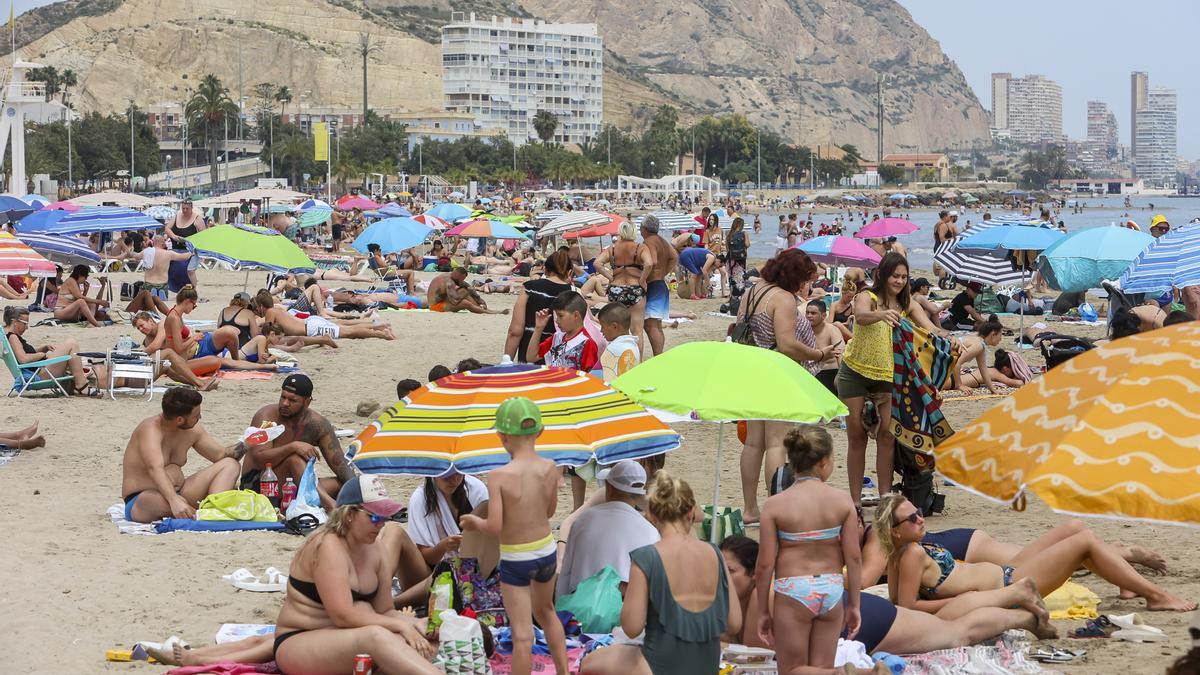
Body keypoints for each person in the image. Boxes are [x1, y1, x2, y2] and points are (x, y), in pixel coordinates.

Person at [876, 495, 1196, 612]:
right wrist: (966, 601)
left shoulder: (902, 552)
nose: (921, 518)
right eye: (913, 518)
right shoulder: (910, 555)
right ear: (894, 530)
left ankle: (1125, 580)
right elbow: (908, 606)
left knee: (1073, 527)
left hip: (1006, 571)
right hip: (1010, 587)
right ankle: (1155, 595)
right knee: (1081, 542)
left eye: (919, 512)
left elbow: (896, 599)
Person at [271, 476, 440, 674]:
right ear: (349, 514)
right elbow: (343, 616)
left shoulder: (375, 548)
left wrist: (419, 624)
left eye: (386, 517)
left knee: (430, 636)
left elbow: (385, 610)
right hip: (300, 640)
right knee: (376, 637)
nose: (381, 525)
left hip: (343, 638)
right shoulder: (328, 545)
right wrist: (401, 625)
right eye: (375, 517)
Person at [580, 472, 740, 675]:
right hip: (706, 664)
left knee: (589, 664)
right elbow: (734, 622)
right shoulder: (715, 554)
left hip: (660, 665)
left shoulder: (647, 557)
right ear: (691, 512)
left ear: (652, 515)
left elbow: (631, 627)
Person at [459, 397, 570, 675]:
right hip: (545, 552)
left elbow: (494, 526)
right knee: (547, 613)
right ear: (540, 432)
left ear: (501, 436)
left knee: (522, 635)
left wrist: (474, 521)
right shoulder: (550, 467)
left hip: (516, 556)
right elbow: (550, 510)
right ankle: (564, 672)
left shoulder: (499, 476)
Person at [736, 249, 836, 524]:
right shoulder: (784, 299)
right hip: (775, 371)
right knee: (777, 443)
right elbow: (787, 344)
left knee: (754, 443)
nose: (805, 285)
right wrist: (819, 355)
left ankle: (750, 509)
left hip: (751, 368)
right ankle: (775, 508)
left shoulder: (753, 290)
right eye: (804, 279)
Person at [837, 252, 941, 507]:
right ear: (883, 274)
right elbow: (860, 316)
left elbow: (931, 328)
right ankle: (855, 500)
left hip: (889, 377)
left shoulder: (907, 304)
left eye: (904, 277)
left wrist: (950, 340)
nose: (899, 281)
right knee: (857, 436)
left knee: (887, 436)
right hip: (855, 373)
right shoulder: (867, 297)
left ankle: (885, 497)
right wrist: (881, 315)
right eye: (895, 275)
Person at [756, 427, 860, 672]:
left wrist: (762, 610)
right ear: (824, 461)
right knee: (820, 668)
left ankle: (844, 674)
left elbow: (764, 564)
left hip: (794, 589)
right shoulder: (842, 500)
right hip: (832, 587)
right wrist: (854, 604)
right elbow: (853, 558)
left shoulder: (775, 506)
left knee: (792, 670)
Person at [120, 388, 246, 522]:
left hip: (181, 492)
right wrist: (174, 500)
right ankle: (202, 511)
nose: (200, 418)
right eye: (196, 416)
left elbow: (220, 455)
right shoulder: (150, 430)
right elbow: (154, 468)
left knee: (230, 464)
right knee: (169, 504)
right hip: (143, 497)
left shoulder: (192, 430)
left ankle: (215, 508)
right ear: (180, 420)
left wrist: (247, 444)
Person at [243, 375, 356, 510]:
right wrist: (292, 447)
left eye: (292, 400)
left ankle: (321, 499)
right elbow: (259, 460)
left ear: (307, 402)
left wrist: (359, 487)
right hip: (260, 487)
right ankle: (330, 506)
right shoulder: (267, 416)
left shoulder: (317, 424)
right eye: (283, 397)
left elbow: (339, 464)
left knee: (346, 485)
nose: (285, 403)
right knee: (294, 458)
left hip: (292, 486)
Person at [556, 460, 659, 598]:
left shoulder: (583, 520)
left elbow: (566, 575)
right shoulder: (650, 532)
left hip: (580, 603)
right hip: (623, 605)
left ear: (609, 489)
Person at [406, 468, 489, 567]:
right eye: (447, 475)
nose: (454, 480)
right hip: (438, 570)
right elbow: (425, 557)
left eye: (458, 473)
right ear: (433, 473)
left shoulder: (476, 489)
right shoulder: (420, 500)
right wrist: (443, 547)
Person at [4, 306, 94, 394]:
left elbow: (25, 353)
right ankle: (81, 386)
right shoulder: (13, 338)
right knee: (72, 343)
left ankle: (78, 383)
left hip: (40, 370)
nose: (27, 327)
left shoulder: (11, 337)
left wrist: (43, 348)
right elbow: (23, 359)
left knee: (61, 351)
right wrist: (42, 355)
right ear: (14, 322)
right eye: (25, 323)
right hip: (41, 374)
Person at [504, 250, 574, 362]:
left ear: (545, 270)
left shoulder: (529, 288)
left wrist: (507, 361)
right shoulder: (574, 294)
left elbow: (515, 331)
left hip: (528, 357)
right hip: (560, 360)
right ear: (569, 272)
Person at [250, 291, 395, 341]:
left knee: (348, 333)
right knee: (343, 327)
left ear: (262, 306)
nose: (258, 310)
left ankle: (381, 334)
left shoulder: (270, 312)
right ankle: (380, 326)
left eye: (257, 308)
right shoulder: (277, 310)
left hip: (311, 328)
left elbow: (267, 335)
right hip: (311, 322)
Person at [593, 221, 653, 344]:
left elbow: (597, 263)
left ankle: (618, 358)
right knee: (637, 331)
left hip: (616, 288)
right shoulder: (640, 247)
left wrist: (610, 278)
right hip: (635, 287)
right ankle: (638, 362)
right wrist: (642, 281)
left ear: (620, 232)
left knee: (616, 330)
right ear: (634, 232)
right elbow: (649, 264)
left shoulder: (612, 249)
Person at [526, 290, 600, 373]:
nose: (557, 321)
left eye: (560, 316)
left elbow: (590, 377)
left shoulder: (587, 343)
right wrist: (538, 329)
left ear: (576, 315)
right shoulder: (557, 336)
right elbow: (531, 357)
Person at [641, 215, 678, 357]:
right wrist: (664, 272)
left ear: (645, 228)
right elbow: (674, 257)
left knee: (650, 325)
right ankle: (659, 355)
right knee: (656, 324)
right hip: (661, 283)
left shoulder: (649, 241)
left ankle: (658, 356)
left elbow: (653, 260)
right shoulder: (663, 241)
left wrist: (643, 279)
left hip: (653, 285)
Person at [950, 314, 1004, 394]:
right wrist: (960, 385)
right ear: (993, 334)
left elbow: (983, 370)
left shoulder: (980, 344)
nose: (1001, 338)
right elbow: (956, 363)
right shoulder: (979, 345)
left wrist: (993, 390)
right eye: (1000, 334)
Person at [426, 268, 508, 314]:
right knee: (465, 302)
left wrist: (480, 300)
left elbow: (468, 286)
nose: (462, 281)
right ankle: (488, 312)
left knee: (465, 290)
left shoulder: (451, 276)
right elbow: (455, 301)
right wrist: (465, 293)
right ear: (459, 276)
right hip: (436, 307)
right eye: (463, 278)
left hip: (443, 300)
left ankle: (483, 309)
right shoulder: (449, 283)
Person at [807, 300, 845, 395]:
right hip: (808, 374)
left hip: (829, 372)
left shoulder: (832, 330)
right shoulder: (803, 330)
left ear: (823, 316)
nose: (809, 316)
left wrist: (841, 377)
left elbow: (840, 354)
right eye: (807, 313)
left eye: (813, 313)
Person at [165, 199, 206, 287]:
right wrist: (174, 236)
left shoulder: (197, 219)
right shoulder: (177, 216)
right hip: (176, 248)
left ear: (191, 208)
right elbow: (167, 228)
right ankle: (179, 289)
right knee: (174, 270)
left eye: (187, 209)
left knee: (190, 271)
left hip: (192, 250)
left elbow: (204, 235)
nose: (185, 210)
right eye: (183, 208)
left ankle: (194, 290)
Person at [141, 235, 193, 304]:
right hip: (163, 283)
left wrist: (127, 252)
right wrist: (191, 252)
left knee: (145, 294)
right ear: (162, 243)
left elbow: (135, 256)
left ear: (153, 242)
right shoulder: (168, 253)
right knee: (163, 301)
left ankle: (152, 292)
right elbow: (183, 257)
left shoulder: (146, 251)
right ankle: (161, 291)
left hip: (149, 283)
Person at [596, 302, 639, 381]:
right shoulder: (634, 345)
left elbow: (599, 377)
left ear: (614, 326)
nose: (601, 330)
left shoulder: (613, 349)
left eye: (602, 326)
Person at [705, 214, 729, 297]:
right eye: (710, 219)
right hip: (711, 255)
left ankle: (723, 292)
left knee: (723, 273)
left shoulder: (720, 230)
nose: (711, 221)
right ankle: (707, 292)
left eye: (712, 219)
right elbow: (706, 244)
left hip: (719, 256)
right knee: (707, 273)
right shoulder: (707, 231)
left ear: (716, 220)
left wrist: (723, 247)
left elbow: (722, 241)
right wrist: (706, 253)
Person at [727, 216, 749, 295]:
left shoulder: (729, 233)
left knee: (732, 276)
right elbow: (747, 244)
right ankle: (741, 294)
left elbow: (727, 248)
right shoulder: (744, 233)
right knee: (741, 276)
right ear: (741, 225)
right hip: (741, 258)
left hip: (731, 258)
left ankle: (732, 294)